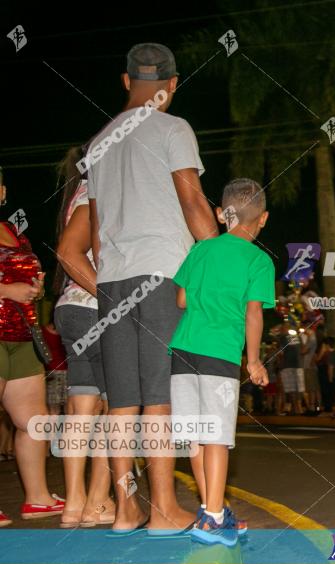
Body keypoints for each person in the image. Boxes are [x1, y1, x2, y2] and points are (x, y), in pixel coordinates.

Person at [86, 43, 217, 533]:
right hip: (162, 274)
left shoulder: (96, 142)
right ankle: (163, 508)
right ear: (172, 84)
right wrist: (220, 257)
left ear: (126, 81)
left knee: (122, 400)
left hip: (112, 280)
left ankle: (125, 510)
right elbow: (193, 201)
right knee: (160, 395)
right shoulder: (173, 127)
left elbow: (98, 235)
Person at [169, 178, 274, 546]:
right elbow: (254, 314)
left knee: (195, 438)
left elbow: (181, 300)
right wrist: (255, 360)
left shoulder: (202, 249)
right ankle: (213, 517)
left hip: (183, 351)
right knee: (216, 438)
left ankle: (210, 509)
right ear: (262, 219)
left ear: (220, 213)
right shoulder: (259, 261)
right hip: (220, 354)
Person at [0, 169, 65, 527]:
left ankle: (38, 497)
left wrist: (35, 288)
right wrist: (8, 292)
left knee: (33, 422)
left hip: (22, 336)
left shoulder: (13, 231)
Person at [54, 148, 115, 528]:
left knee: (80, 413)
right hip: (94, 307)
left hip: (71, 309)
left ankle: (73, 505)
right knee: (114, 409)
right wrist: (114, 302)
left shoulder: (77, 191)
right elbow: (68, 252)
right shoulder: (98, 191)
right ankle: (97, 502)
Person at [41, 320, 67, 416]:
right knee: (70, 411)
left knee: (53, 412)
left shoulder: (43, 331)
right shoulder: (68, 331)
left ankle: (52, 431)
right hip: (68, 373)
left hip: (51, 373)